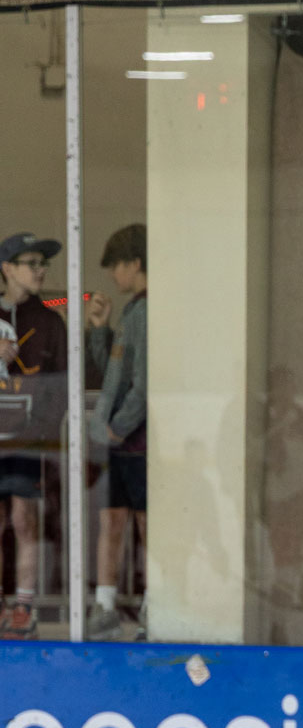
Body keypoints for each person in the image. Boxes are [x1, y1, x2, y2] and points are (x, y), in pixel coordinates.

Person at [0, 231, 67, 638]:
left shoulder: (50, 321)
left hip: (26, 442)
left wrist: (40, 433)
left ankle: (24, 604)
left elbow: (61, 388)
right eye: (31, 263)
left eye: (44, 264)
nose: (40, 271)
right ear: (7, 269)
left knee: (24, 519)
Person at [86, 225, 149, 640]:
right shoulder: (131, 312)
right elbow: (114, 369)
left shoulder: (147, 311)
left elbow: (143, 383)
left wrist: (117, 426)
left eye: (116, 267)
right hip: (122, 439)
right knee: (112, 519)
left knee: (142, 523)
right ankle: (106, 602)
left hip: (136, 441)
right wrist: (99, 331)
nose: (113, 276)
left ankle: (149, 603)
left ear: (134, 263)